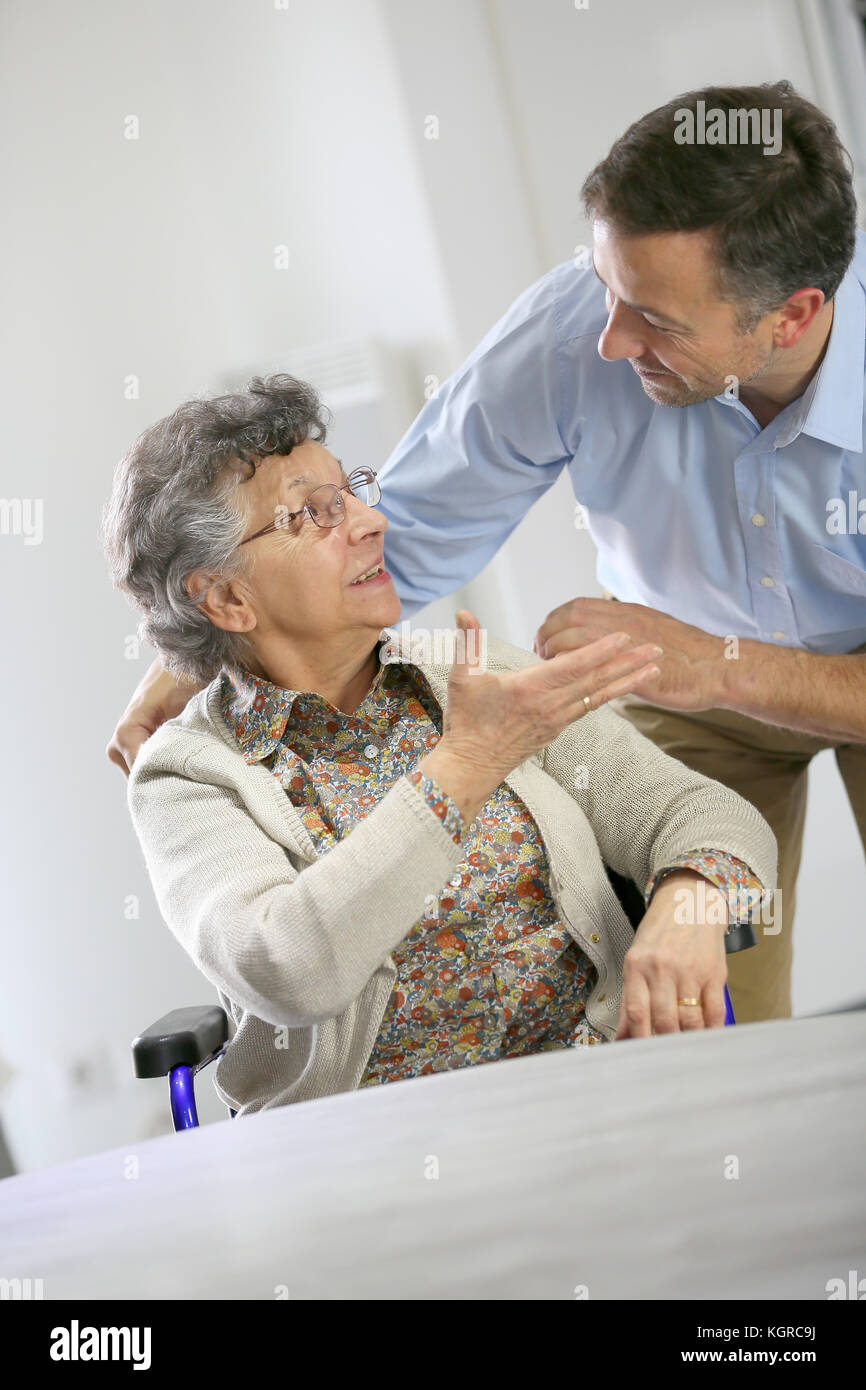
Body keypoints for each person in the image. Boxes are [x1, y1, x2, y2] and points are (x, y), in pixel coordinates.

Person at [108, 78, 864, 1025]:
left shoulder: (483, 689)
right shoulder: (576, 329)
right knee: (704, 1026)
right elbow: (409, 519)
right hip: (679, 677)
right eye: (609, 290)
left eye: (659, 322)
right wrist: (197, 650)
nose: (610, 340)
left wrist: (708, 669)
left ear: (789, 317)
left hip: (747, 662)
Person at [101, 376, 776, 1114]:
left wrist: (691, 902)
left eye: (353, 491)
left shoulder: (477, 674)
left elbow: (704, 813)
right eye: (315, 513)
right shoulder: (186, 776)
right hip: (362, 1155)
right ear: (226, 597)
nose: (370, 521)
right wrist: (466, 765)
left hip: (596, 1094)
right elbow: (286, 970)